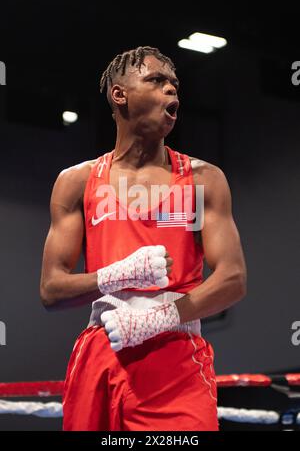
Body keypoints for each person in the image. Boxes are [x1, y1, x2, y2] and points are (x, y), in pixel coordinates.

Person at [40, 46, 247, 431]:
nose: (172, 91)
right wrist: (116, 275)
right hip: (103, 349)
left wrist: (161, 319)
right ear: (120, 95)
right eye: (156, 81)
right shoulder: (77, 182)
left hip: (176, 358)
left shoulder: (203, 179)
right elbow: (51, 290)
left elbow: (232, 278)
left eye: (174, 84)